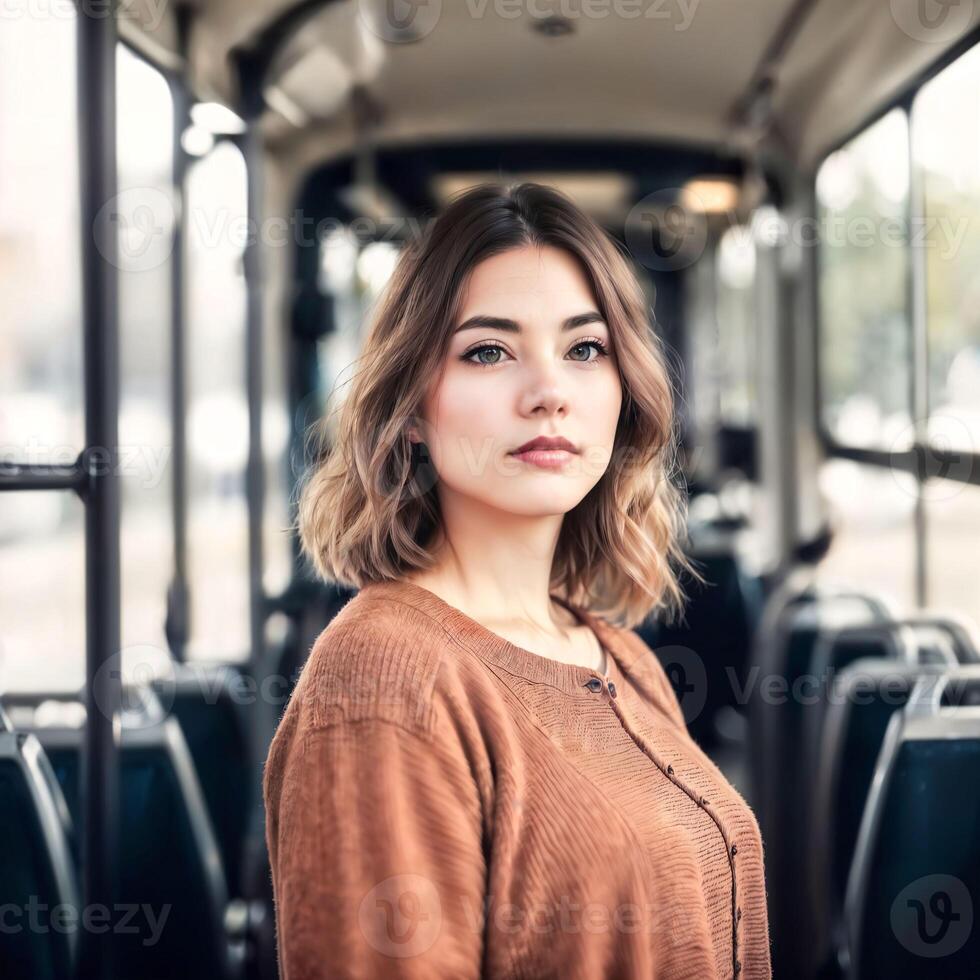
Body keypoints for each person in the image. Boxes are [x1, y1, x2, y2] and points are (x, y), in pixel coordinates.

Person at [263, 182, 772, 979]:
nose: (549, 394)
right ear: (412, 410)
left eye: (584, 349)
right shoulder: (382, 685)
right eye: (488, 351)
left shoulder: (618, 656)